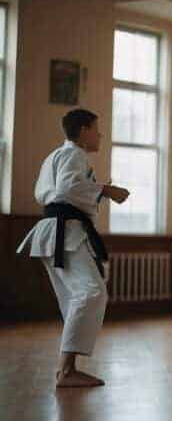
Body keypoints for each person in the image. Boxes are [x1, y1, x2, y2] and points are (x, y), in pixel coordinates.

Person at [17, 108, 130, 387]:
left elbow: (62, 192)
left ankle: (67, 369)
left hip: (58, 230)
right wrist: (106, 190)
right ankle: (66, 370)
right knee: (91, 292)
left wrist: (98, 191)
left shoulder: (57, 155)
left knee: (78, 297)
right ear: (83, 131)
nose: (101, 134)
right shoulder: (72, 154)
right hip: (63, 232)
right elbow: (68, 188)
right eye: (97, 128)